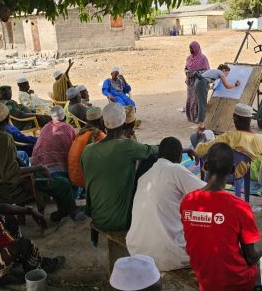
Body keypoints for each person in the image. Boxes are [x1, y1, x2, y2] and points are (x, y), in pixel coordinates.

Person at [0, 103, 80, 222]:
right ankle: (70, 210)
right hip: (8, 187)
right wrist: (38, 167)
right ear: (8, 118)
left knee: (48, 176)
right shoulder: (5, 138)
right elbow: (10, 173)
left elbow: (7, 158)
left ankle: (63, 210)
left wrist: (26, 165)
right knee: (63, 183)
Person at [181, 142, 261, 291]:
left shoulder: (187, 201)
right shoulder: (240, 207)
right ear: (232, 170)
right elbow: (250, 257)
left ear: (205, 166)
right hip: (237, 283)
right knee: (260, 260)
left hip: (205, 281)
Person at [127, 137, 205, 271]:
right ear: (180, 157)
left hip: (137, 249)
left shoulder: (144, 177)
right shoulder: (175, 169)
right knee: (209, 222)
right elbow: (209, 192)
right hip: (168, 256)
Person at [81, 103, 158, 231]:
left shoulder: (88, 150)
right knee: (150, 157)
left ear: (103, 123)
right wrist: (186, 149)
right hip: (120, 221)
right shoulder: (128, 146)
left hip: (96, 216)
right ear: (124, 125)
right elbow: (156, 149)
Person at [194, 103, 262, 180]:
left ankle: (206, 180)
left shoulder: (231, 136)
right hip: (242, 170)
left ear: (235, 118)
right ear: (250, 119)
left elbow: (199, 151)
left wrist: (201, 140)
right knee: (209, 133)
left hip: (223, 170)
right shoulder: (260, 138)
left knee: (197, 137)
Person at [31, 106, 75, 180]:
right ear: (65, 116)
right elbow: (73, 149)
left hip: (37, 171)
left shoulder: (46, 126)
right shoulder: (68, 128)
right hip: (56, 173)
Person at [67, 107, 106, 188]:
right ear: (100, 120)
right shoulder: (98, 135)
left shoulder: (81, 132)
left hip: (73, 177)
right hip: (83, 180)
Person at [194, 64, 240, 131]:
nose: (226, 76)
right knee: (202, 105)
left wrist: (210, 87)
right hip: (201, 83)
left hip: (197, 82)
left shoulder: (214, 71)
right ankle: (201, 126)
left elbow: (204, 80)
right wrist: (235, 85)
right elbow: (227, 86)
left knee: (201, 103)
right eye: (227, 73)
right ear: (224, 70)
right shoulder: (221, 73)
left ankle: (200, 124)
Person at [185, 41, 210, 123]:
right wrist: (188, 73)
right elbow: (186, 68)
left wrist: (196, 73)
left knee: (197, 100)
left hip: (199, 82)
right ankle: (191, 117)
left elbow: (206, 71)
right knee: (190, 98)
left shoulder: (203, 58)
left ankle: (198, 118)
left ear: (197, 48)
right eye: (190, 48)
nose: (191, 50)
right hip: (190, 83)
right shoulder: (189, 58)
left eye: (192, 48)